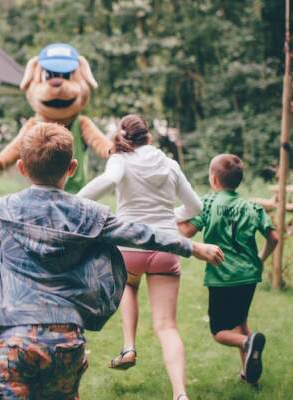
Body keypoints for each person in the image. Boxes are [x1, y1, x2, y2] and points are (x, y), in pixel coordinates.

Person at [0, 122, 223, 399]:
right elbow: (142, 234)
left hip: (14, 338)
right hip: (66, 339)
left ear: (22, 168)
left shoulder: (6, 208)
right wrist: (192, 247)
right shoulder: (91, 214)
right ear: (72, 167)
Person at [76, 114, 204, 400]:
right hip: (166, 249)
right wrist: (172, 215)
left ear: (124, 136)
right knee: (167, 326)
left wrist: (72, 203)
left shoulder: (120, 159)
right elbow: (194, 207)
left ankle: (129, 347)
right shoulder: (169, 164)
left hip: (130, 249)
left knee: (128, 287)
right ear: (149, 136)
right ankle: (181, 394)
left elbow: (107, 181)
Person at [178, 154, 278, 385]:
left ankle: (247, 342)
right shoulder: (252, 207)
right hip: (249, 276)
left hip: (222, 277)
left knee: (219, 332)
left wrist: (168, 218)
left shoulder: (209, 204)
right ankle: (248, 374)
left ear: (213, 179)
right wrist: (261, 258)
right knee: (240, 323)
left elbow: (187, 233)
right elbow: (273, 238)